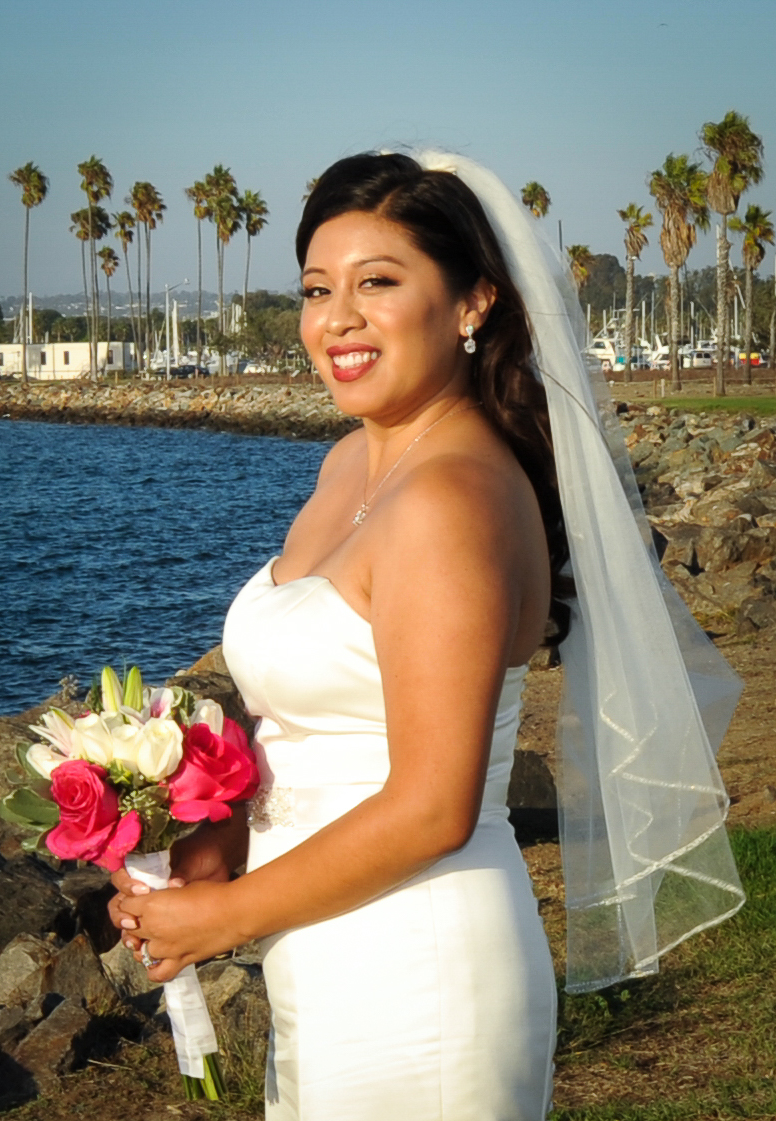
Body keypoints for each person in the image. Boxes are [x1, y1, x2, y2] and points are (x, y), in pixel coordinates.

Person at [110, 151, 744, 1120]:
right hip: (320, 942)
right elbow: (314, 728)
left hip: (416, 959)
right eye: (317, 288)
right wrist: (213, 836)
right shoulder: (346, 466)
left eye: (377, 282)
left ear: (471, 301)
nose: (337, 318)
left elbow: (432, 805)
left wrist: (218, 918)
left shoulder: (451, 495)